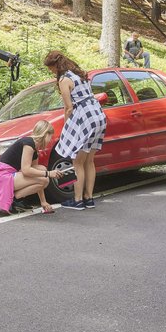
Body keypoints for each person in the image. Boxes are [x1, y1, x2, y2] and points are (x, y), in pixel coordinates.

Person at [44, 50, 107, 211]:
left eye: (51, 68)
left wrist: (66, 127)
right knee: (89, 161)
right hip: (98, 115)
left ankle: (78, 200)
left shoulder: (64, 79)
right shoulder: (79, 74)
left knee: (77, 162)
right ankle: (89, 197)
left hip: (84, 118)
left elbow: (68, 107)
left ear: (56, 65)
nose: (51, 71)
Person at [0, 120, 63, 214]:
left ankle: (15, 200)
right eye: (50, 136)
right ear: (45, 134)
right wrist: (49, 174)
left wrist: (43, 201)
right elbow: (26, 170)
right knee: (45, 178)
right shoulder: (29, 143)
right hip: (1, 176)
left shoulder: (34, 149)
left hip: (7, 175)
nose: (51, 140)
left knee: (42, 170)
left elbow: (35, 173)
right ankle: (12, 200)